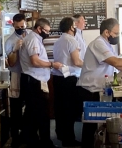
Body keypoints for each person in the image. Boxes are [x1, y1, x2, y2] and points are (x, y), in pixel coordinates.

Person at [77, 18, 122, 148]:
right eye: (115, 33)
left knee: (94, 124)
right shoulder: (98, 43)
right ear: (106, 32)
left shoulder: (107, 44)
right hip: (89, 89)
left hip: (97, 88)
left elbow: (119, 66)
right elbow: (116, 62)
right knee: (90, 124)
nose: (117, 36)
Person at [19, 18, 62, 148]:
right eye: (46, 31)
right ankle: (45, 142)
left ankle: (29, 138)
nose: (48, 34)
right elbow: (35, 61)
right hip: (33, 80)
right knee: (42, 113)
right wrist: (52, 64)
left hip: (36, 79)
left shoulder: (36, 39)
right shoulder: (33, 39)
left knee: (32, 113)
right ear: (39, 29)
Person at [52, 17, 83, 147]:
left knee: (60, 109)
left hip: (58, 77)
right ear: (71, 27)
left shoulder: (58, 40)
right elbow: (76, 62)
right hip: (69, 77)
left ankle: (60, 134)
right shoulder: (72, 40)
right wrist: (89, 66)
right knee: (69, 109)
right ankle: (68, 139)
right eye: (74, 24)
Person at [5, 13, 29, 148]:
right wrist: (15, 50)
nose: (21, 28)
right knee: (16, 109)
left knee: (30, 107)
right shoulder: (10, 41)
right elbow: (12, 63)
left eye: (23, 26)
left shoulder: (30, 35)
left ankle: (27, 134)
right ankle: (15, 139)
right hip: (16, 76)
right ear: (13, 24)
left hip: (29, 75)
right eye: (19, 26)